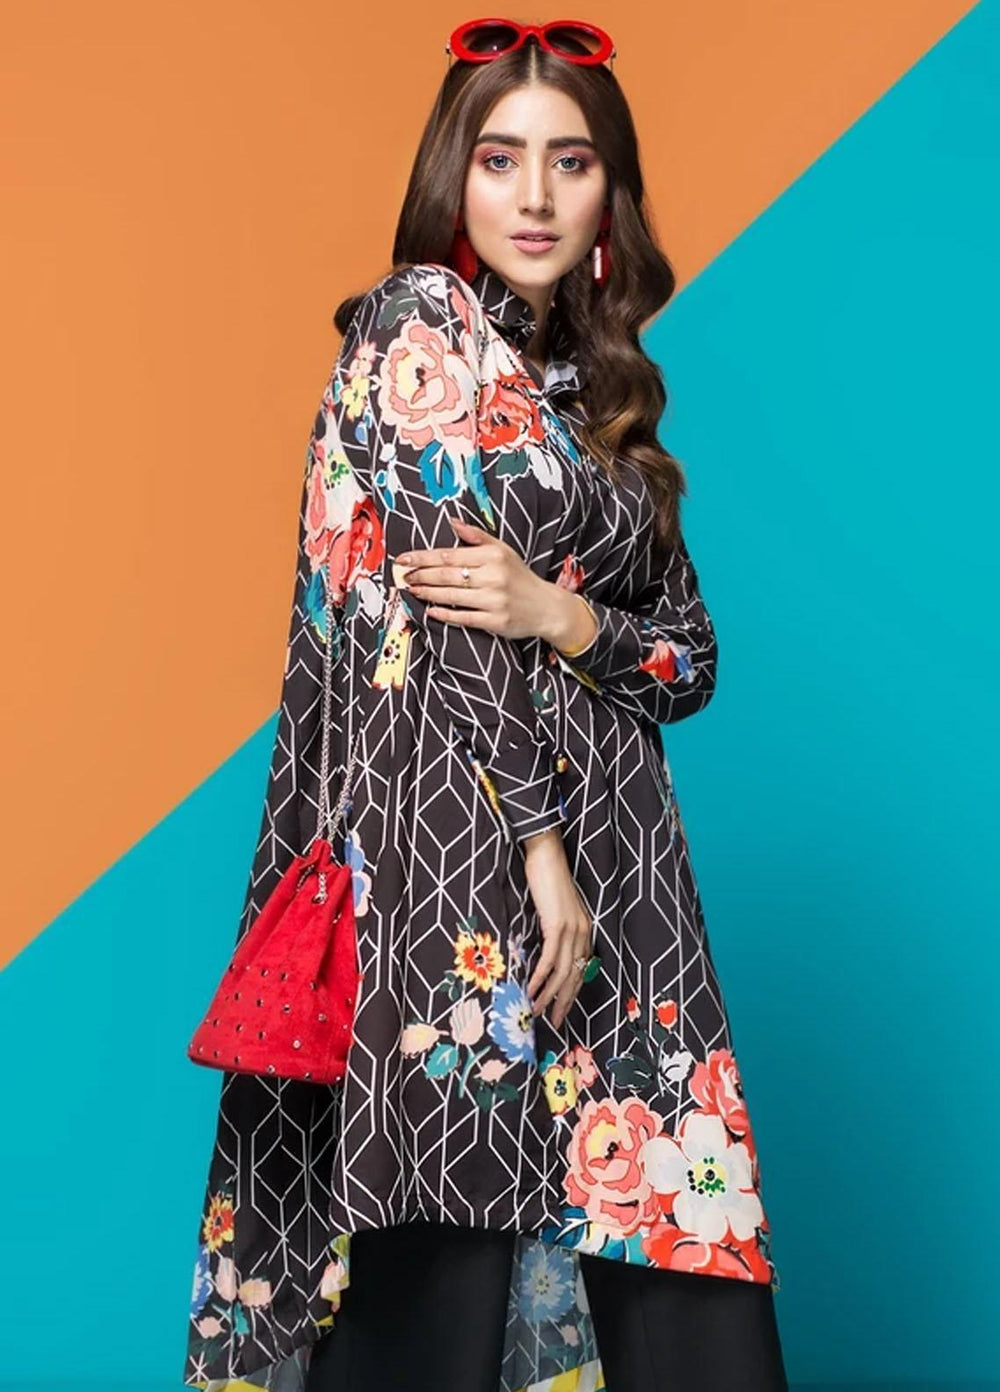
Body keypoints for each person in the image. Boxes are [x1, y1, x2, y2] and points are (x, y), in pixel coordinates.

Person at [183, 18, 790, 1392]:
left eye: (571, 162)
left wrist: (561, 614)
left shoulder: (599, 396)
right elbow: (436, 619)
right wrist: (538, 848)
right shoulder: (418, 327)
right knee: (433, 1274)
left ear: (610, 193)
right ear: (452, 176)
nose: (534, 196)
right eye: (501, 158)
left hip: (625, 880)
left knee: (669, 1270)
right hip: (457, 865)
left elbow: (690, 660)